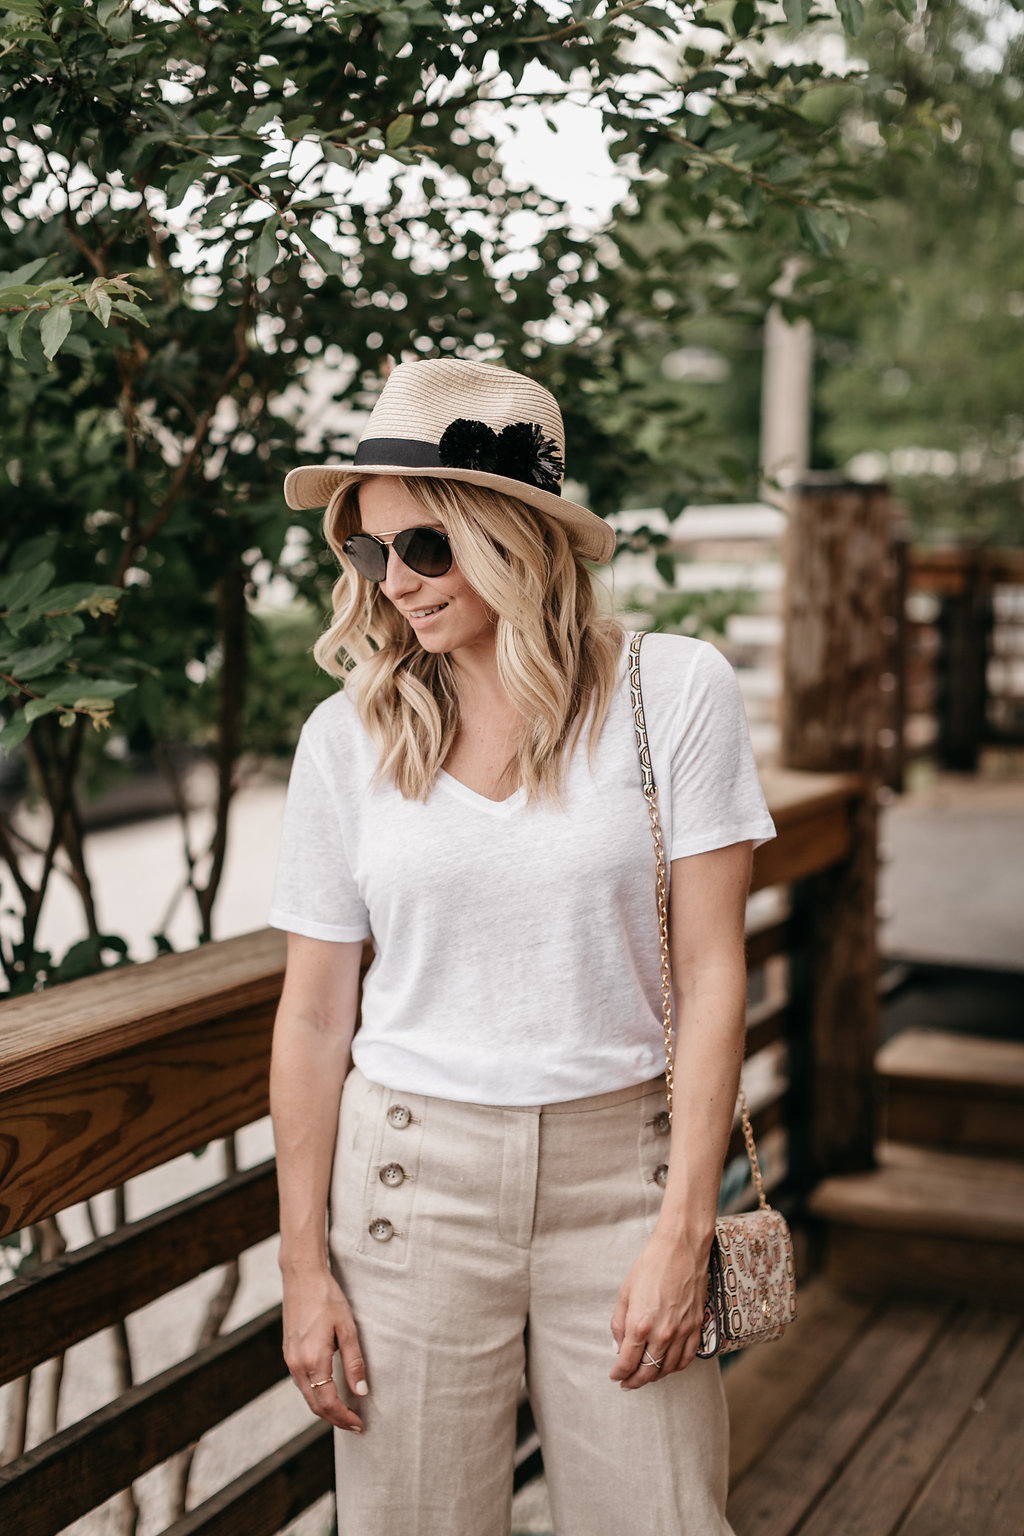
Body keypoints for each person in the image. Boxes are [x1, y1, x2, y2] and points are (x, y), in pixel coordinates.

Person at [268, 356, 776, 1536]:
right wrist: (302, 1269)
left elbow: (711, 979)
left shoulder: (674, 692)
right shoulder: (346, 740)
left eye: (425, 547)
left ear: (514, 534)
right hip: (407, 1185)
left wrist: (684, 1228)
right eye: (366, 552)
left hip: (625, 1181)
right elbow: (310, 1018)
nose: (391, 582)